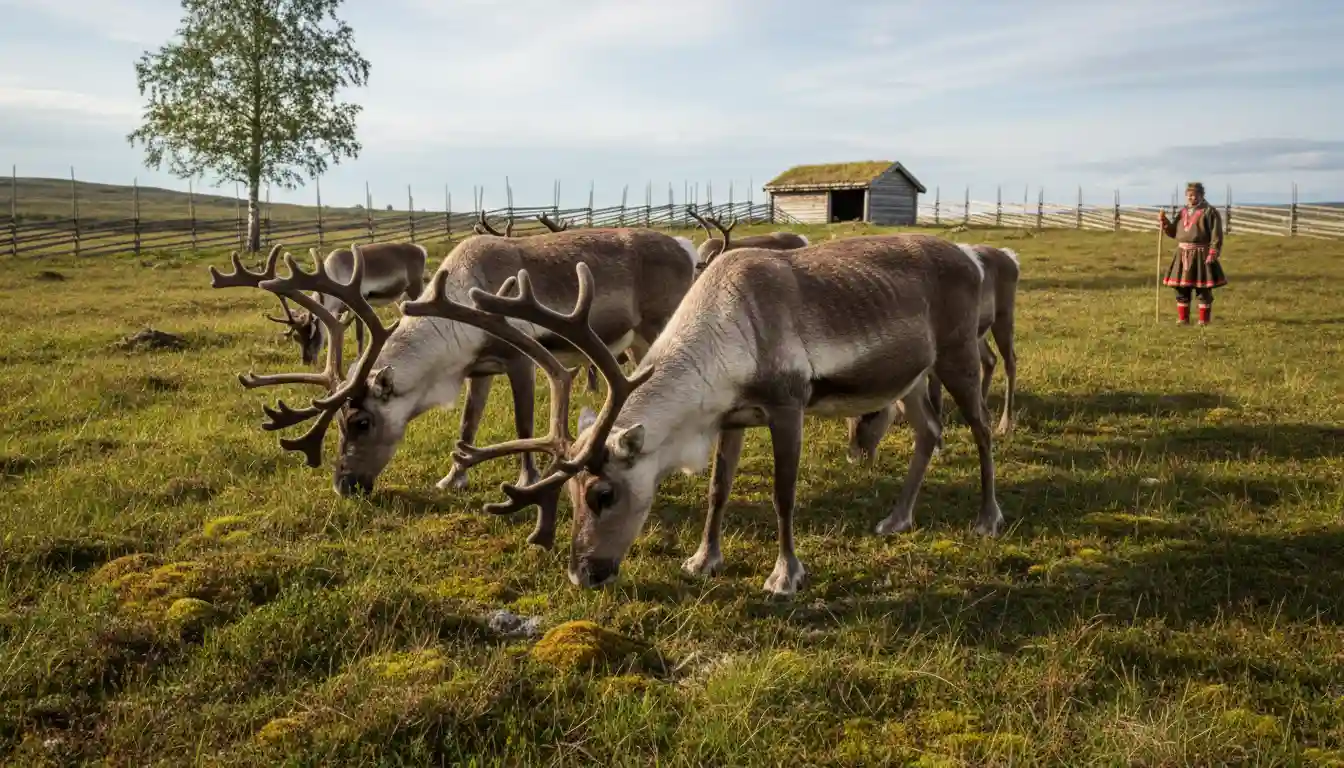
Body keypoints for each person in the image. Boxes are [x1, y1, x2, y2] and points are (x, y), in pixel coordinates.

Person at [1158, 181, 1226, 325]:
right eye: (1189, 196)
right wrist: (1165, 223)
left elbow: (1216, 234)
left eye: (1195, 195)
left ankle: (1203, 320)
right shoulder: (1182, 212)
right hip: (1182, 252)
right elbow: (1174, 232)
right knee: (1181, 288)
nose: (1192, 198)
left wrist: (1213, 251)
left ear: (1201, 195)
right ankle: (1183, 319)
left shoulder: (1209, 212)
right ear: (1186, 196)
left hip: (1201, 253)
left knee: (1202, 288)